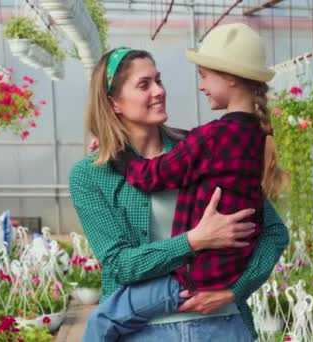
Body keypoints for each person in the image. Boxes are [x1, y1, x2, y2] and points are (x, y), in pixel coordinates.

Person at [69, 25, 289, 342]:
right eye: (144, 84)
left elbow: (273, 232)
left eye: (158, 80)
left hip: (221, 325)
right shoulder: (92, 174)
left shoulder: (200, 149)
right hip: (144, 331)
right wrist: (194, 240)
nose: (158, 90)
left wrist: (233, 290)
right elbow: (119, 265)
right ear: (114, 103)